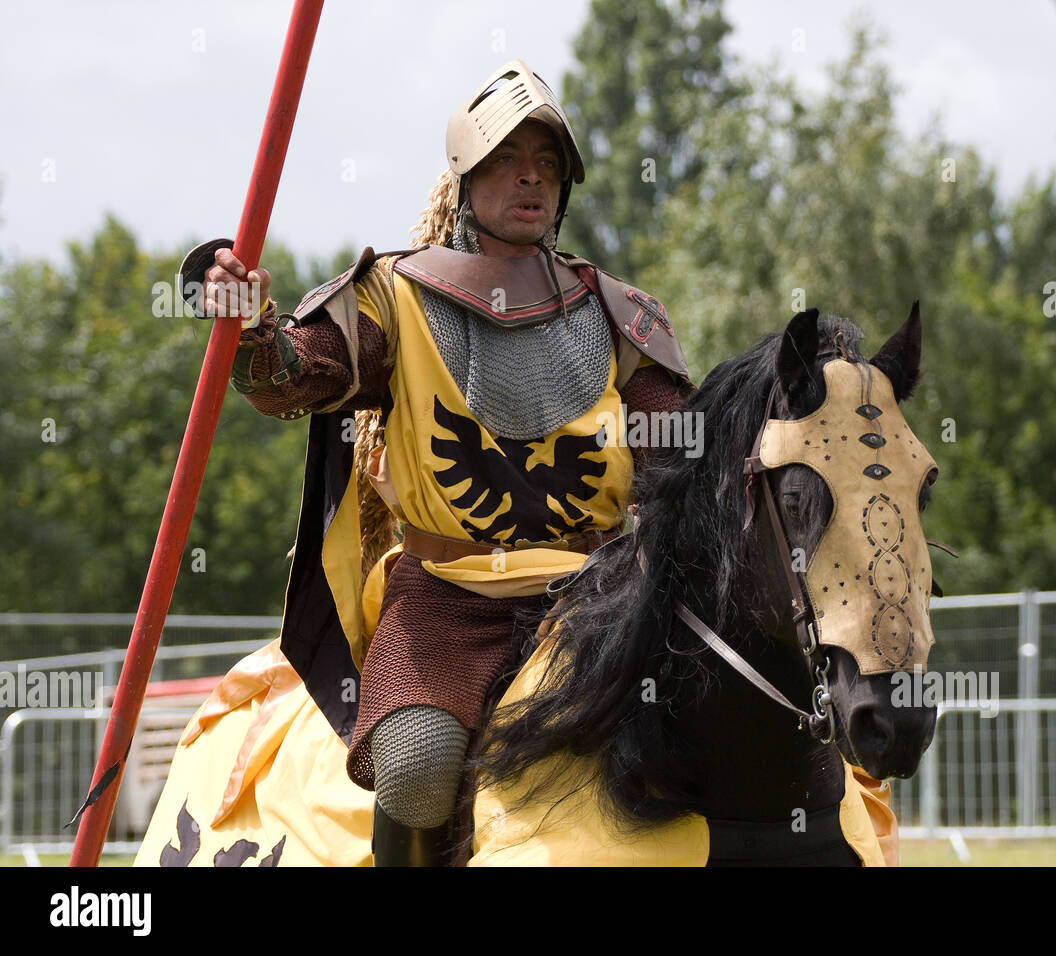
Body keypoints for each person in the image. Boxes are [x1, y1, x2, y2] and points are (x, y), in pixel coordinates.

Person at [186, 59, 691, 865]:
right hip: (446, 600)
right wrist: (250, 329)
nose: (532, 177)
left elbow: (680, 454)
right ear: (465, 179)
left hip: (597, 596)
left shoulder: (618, 311)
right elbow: (295, 378)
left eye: (548, 163)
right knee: (418, 770)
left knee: (698, 724)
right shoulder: (396, 295)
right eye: (506, 160)